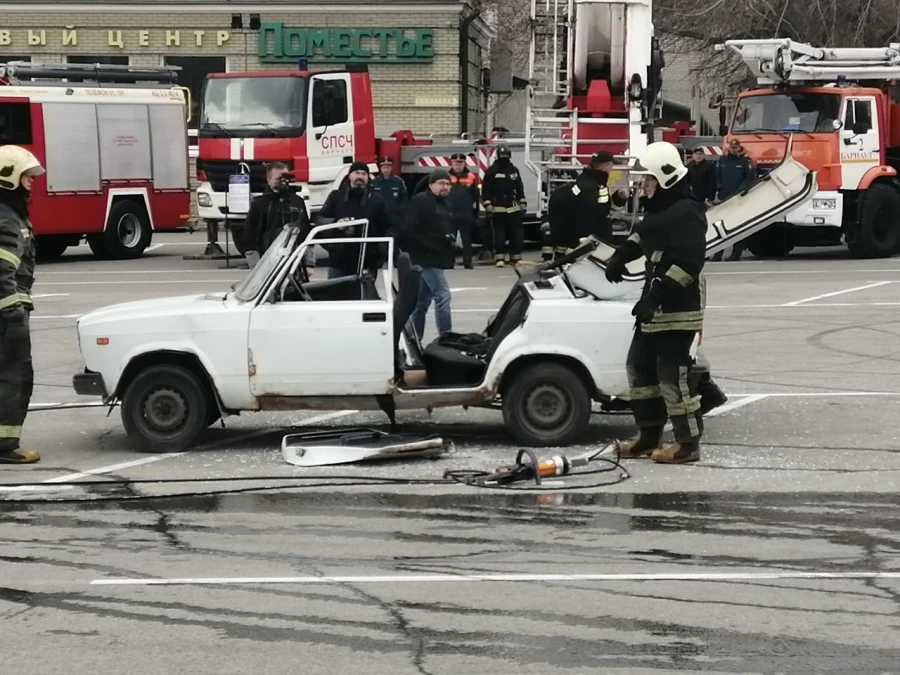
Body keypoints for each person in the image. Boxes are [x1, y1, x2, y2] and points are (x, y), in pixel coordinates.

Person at [605, 141, 707, 465]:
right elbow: (644, 234)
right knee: (639, 366)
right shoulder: (660, 207)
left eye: (647, 178)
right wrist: (620, 257)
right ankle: (648, 437)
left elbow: (690, 264)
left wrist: (657, 294)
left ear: (664, 177)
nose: (642, 185)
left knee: (671, 376)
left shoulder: (688, 212)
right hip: (653, 304)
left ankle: (688, 445)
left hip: (678, 307)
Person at [0, 145, 42, 464]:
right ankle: (4, 447)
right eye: (27, 176)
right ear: (9, 178)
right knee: (14, 377)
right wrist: (12, 312)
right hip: (6, 315)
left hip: (9, 311)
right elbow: (2, 271)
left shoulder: (10, 212)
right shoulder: (6, 217)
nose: (32, 181)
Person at [396, 169, 456, 340]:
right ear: (431, 185)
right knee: (443, 296)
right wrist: (430, 245)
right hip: (425, 258)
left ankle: (415, 339)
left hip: (437, 257)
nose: (445, 187)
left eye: (448, 184)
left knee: (421, 303)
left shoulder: (445, 204)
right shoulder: (421, 201)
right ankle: (446, 338)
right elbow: (407, 231)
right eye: (441, 183)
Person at [546, 150, 629, 258]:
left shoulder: (588, 184)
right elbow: (598, 214)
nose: (612, 169)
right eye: (611, 165)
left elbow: (605, 206)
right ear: (606, 165)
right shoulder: (593, 188)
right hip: (592, 248)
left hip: (585, 246)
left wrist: (619, 197)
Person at [316, 161, 391, 279]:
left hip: (367, 261)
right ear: (350, 175)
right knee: (336, 295)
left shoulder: (377, 200)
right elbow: (319, 220)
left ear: (367, 177)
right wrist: (336, 224)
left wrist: (379, 251)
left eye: (363, 174)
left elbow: (388, 227)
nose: (360, 177)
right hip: (338, 261)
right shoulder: (336, 196)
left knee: (364, 296)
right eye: (357, 173)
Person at [244, 161, 314, 273]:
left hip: (294, 261)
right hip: (268, 262)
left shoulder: (297, 201)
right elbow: (249, 237)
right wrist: (256, 267)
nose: (283, 182)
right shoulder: (260, 204)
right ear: (269, 180)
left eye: (285, 178)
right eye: (278, 178)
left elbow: (304, 232)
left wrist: (308, 263)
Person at [481, 145, 526, 267]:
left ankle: (515, 258)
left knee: (515, 234)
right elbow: (486, 190)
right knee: (499, 234)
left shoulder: (514, 170)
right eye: (502, 156)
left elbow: (519, 187)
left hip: (513, 207)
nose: (504, 158)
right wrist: (488, 204)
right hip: (498, 207)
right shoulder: (492, 171)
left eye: (506, 156)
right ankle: (499, 258)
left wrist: (522, 202)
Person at [713, 139, 755, 261]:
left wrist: (741, 191)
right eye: (732, 147)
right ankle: (717, 253)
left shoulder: (744, 161)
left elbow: (749, 177)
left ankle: (736, 253)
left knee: (737, 226)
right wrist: (719, 189)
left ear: (739, 148)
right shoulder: (723, 160)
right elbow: (717, 175)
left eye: (735, 147)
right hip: (724, 197)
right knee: (720, 225)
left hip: (738, 198)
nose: (733, 149)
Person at [445, 152, 480, 269]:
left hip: (465, 213)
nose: (458, 165)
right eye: (455, 163)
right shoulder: (446, 177)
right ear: (452, 163)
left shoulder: (470, 176)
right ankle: (449, 262)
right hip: (450, 212)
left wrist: (470, 208)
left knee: (466, 239)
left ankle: (467, 262)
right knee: (450, 239)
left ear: (464, 163)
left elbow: (476, 195)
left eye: (460, 163)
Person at [371, 155, 408, 233]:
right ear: (380, 168)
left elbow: (404, 199)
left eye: (388, 167)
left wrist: (400, 214)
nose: (386, 170)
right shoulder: (374, 182)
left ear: (391, 168)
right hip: (379, 219)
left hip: (394, 220)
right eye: (384, 167)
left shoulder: (398, 182)